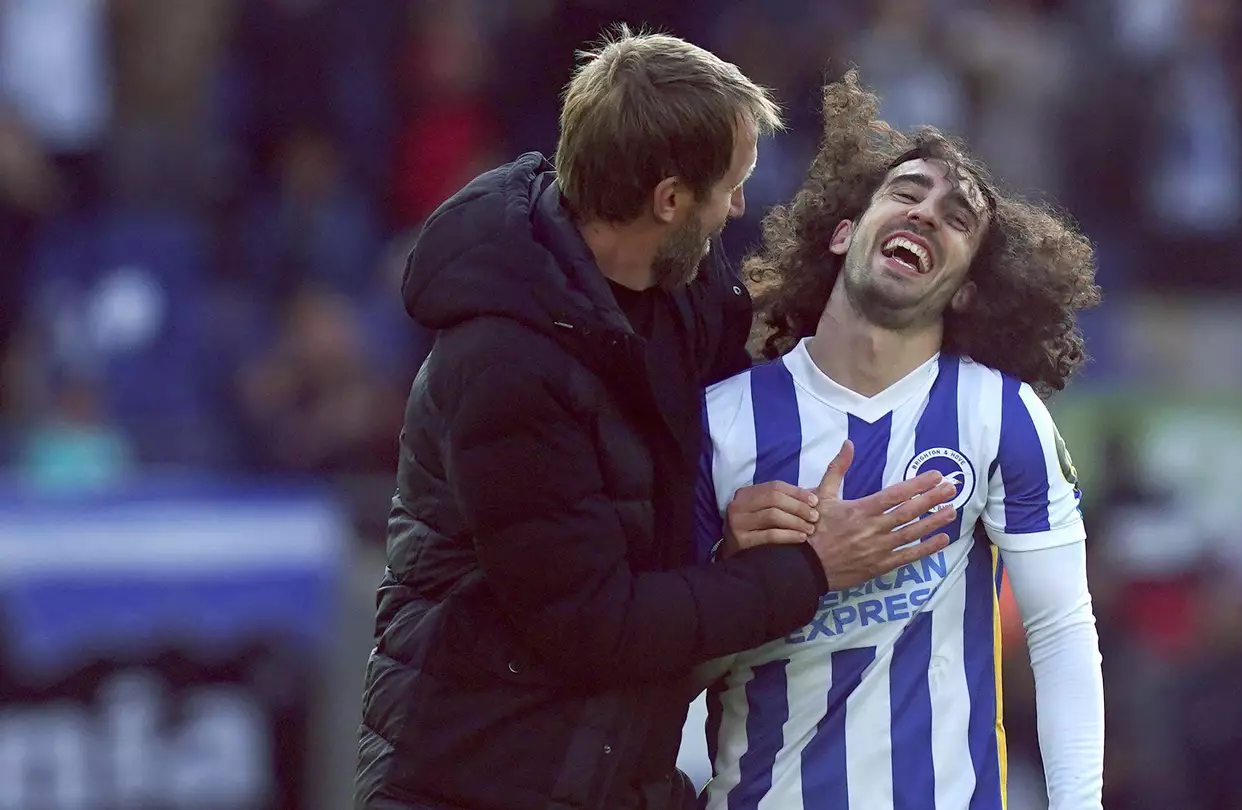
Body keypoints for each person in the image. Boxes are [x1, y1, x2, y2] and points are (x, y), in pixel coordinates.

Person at [355, 30, 958, 810]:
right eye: (730, 186)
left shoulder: (682, 287)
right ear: (669, 200)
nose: (740, 206)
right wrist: (808, 569)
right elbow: (595, 626)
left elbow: (761, 408)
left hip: (611, 773)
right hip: (475, 780)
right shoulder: (504, 368)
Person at [691, 72, 1106, 810]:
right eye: (906, 193)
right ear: (846, 231)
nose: (925, 214)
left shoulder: (997, 416)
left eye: (957, 217)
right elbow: (662, 663)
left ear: (970, 285)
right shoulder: (720, 423)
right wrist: (741, 570)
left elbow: (1062, 634)